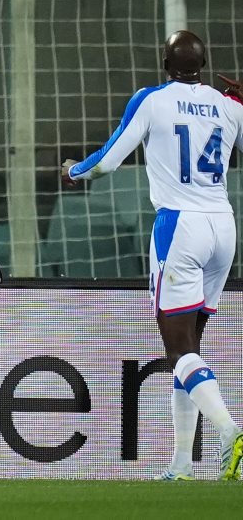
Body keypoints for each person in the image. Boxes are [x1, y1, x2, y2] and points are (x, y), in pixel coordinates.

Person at [62, 29, 243, 482]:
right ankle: (181, 465)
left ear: (165, 62)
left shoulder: (153, 99)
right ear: (203, 63)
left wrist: (74, 170)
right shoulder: (229, 105)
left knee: (177, 348)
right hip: (223, 223)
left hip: (179, 226)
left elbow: (108, 160)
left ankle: (229, 432)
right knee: (190, 349)